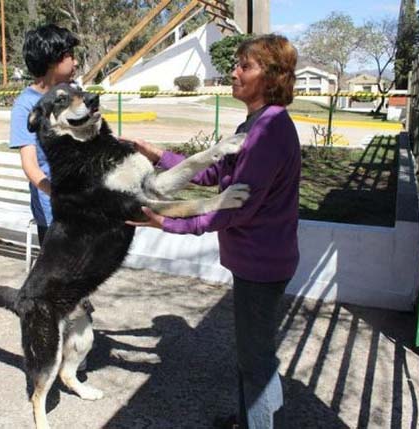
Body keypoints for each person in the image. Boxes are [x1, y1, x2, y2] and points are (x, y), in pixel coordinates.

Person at [127, 34, 300, 428]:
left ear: (270, 77)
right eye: (237, 64)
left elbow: (234, 209)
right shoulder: (255, 123)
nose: (234, 72)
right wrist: (155, 153)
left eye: (246, 66)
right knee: (254, 357)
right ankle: (248, 421)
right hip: (257, 262)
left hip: (262, 265)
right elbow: (213, 174)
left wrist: (168, 222)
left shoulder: (269, 132)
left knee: (256, 362)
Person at [9, 24, 79, 245]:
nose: (76, 62)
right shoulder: (25, 106)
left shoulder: (75, 93)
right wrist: (57, 194)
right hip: (53, 216)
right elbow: (30, 165)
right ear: (52, 61)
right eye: (70, 56)